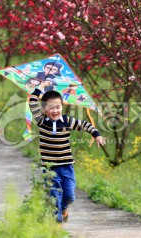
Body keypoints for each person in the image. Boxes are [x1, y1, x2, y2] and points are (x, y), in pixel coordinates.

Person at [29, 81, 106, 223]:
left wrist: (97, 135)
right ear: (44, 109)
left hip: (66, 166)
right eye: (51, 108)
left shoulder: (66, 121)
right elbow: (32, 101)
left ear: (62, 107)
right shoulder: (41, 121)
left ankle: (64, 208)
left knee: (70, 196)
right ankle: (57, 222)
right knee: (54, 195)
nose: (55, 111)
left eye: (58, 107)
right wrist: (41, 87)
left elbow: (85, 125)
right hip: (49, 167)